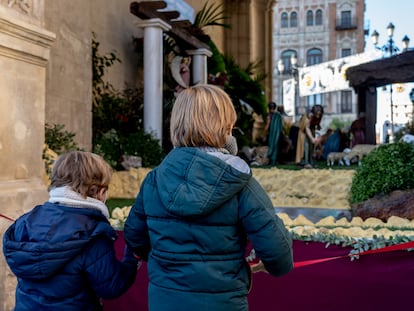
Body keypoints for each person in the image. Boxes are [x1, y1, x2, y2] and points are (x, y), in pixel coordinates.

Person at [124, 84, 293, 311]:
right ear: (226, 127)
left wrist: (169, 261)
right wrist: (269, 265)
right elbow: (278, 252)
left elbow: (135, 237)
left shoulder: (154, 181)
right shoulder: (241, 183)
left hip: (166, 300)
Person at [2, 151, 140, 311]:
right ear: (101, 192)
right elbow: (111, 286)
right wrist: (132, 257)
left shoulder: (26, 221)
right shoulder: (92, 233)